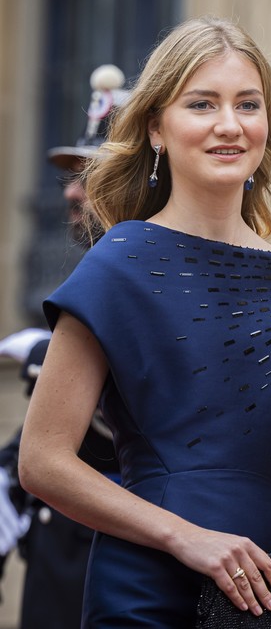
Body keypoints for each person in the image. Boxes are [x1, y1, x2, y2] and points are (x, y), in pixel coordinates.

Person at [18, 16, 271, 627]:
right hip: (150, 583)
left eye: (247, 104)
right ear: (157, 129)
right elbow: (42, 461)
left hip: (270, 593)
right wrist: (184, 538)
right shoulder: (119, 262)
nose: (229, 124)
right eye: (202, 104)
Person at [0, 64, 126, 628]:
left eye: (90, 173)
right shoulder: (96, 282)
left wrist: (38, 357)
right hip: (61, 561)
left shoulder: (147, 281)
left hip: (119, 567)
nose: (72, 191)